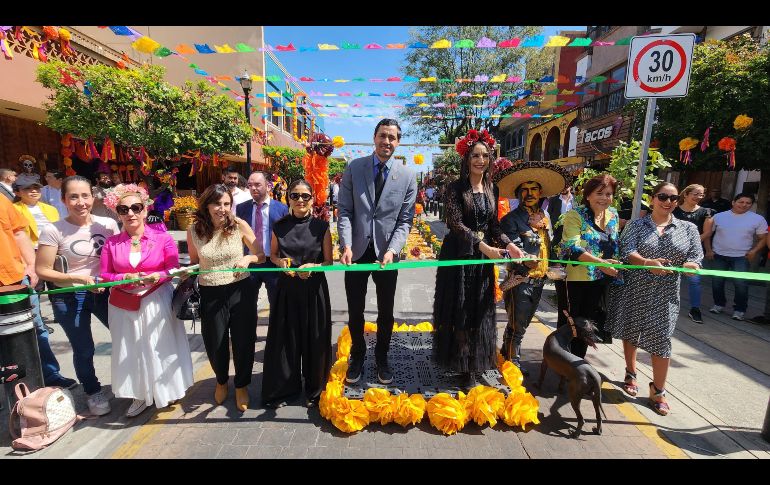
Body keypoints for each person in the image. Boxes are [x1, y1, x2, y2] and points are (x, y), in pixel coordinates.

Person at [433, 129, 525, 387]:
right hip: (459, 256)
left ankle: (475, 361)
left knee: (480, 309)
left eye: (485, 155)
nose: (480, 160)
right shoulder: (455, 188)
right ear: (467, 158)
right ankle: (462, 366)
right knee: (460, 309)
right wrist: (483, 247)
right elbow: (455, 224)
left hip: (482, 258)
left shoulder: (492, 188)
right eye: (475, 155)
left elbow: (494, 226)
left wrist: (509, 245)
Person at [606, 182, 702, 416]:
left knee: (661, 338)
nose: (668, 202)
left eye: (673, 198)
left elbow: (695, 257)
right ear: (652, 199)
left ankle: (658, 390)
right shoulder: (636, 225)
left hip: (666, 294)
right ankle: (631, 372)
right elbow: (627, 251)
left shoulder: (688, 228)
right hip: (634, 288)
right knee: (631, 331)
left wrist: (692, 266)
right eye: (663, 197)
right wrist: (647, 263)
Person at [99, 184, 194, 417]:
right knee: (130, 348)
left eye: (136, 208)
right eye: (123, 209)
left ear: (144, 210)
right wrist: (123, 278)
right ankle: (139, 394)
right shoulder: (112, 243)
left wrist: (157, 276)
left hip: (156, 298)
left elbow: (172, 269)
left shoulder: (163, 238)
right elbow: (105, 275)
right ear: (117, 213)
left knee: (160, 346)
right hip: (123, 304)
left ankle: (166, 389)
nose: (130, 213)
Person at [338, 118, 417, 385]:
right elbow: (345, 211)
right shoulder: (354, 168)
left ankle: (382, 357)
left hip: (387, 254)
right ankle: (358, 355)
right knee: (355, 309)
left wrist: (393, 249)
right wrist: (346, 245)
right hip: (356, 251)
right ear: (374, 137)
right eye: (383, 135)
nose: (387, 141)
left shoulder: (407, 176)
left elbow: (405, 220)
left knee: (386, 311)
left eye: (392, 137)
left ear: (398, 142)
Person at [36, 175, 119, 415]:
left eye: (85, 195)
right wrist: (80, 279)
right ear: (63, 200)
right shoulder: (53, 229)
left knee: (124, 338)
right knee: (84, 349)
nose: (80, 202)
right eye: (73, 197)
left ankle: (128, 382)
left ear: (93, 197)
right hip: (70, 296)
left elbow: (118, 257)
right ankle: (93, 392)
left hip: (105, 292)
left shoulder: (108, 224)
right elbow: (43, 270)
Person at [187, 184, 265, 412]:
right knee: (215, 342)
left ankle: (241, 385)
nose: (222, 209)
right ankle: (221, 380)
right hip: (210, 292)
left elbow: (260, 255)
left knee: (243, 340)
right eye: (217, 204)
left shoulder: (239, 225)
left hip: (240, 290)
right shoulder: (194, 230)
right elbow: (194, 262)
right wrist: (184, 271)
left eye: (227, 204)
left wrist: (248, 259)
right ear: (206, 205)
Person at [262, 180, 333, 408]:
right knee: (286, 340)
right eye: (295, 195)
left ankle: (315, 389)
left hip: (314, 290)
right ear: (288, 199)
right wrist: (280, 263)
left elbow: (329, 261)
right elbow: (272, 255)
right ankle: (285, 390)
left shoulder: (321, 227)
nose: (300, 200)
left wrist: (314, 267)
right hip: (287, 290)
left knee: (315, 339)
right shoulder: (279, 226)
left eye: (305, 196)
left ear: (312, 198)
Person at [497, 160, 569, 375]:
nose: (529, 194)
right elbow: (513, 249)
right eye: (525, 190)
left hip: (539, 282)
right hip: (520, 282)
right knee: (517, 327)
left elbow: (549, 245)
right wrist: (525, 259)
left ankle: (505, 355)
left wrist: (555, 267)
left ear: (541, 193)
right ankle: (513, 367)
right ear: (518, 194)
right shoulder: (511, 220)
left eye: (534, 189)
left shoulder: (545, 218)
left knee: (520, 325)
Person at [555, 174, 621, 358]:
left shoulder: (613, 215)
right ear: (588, 195)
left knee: (588, 325)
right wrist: (601, 264)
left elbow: (613, 244)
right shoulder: (575, 215)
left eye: (609, 194)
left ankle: (578, 362)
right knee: (570, 324)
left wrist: (613, 263)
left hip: (600, 280)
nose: (604, 198)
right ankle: (562, 362)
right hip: (575, 279)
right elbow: (572, 247)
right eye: (599, 193)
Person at [703, 193, 768, 321]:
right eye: (741, 202)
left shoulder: (757, 219)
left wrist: (754, 251)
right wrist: (709, 250)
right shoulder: (719, 216)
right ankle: (719, 304)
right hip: (719, 254)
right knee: (717, 282)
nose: (744, 205)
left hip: (741, 256)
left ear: (752, 205)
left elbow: (763, 238)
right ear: (733, 202)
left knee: (741, 284)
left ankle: (739, 310)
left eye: (748, 203)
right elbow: (707, 234)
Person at [236, 171, 288, 310]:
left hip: (273, 263)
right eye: (250, 185)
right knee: (246, 305)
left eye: (257, 184)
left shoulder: (282, 209)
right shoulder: (241, 208)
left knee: (277, 304)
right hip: (250, 263)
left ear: (268, 186)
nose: (253, 188)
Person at [672, 184, 713, 324]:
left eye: (701, 194)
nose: (699, 197)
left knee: (695, 281)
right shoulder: (674, 209)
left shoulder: (706, 212)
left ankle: (695, 309)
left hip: (693, 252)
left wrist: (689, 243)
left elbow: (707, 232)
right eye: (696, 194)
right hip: (673, 250)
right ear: (686, 194)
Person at [13, 180, 60, 250]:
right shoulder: (13, 209)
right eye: (28, 188)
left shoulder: (51, 209)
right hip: (28, 249)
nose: (34, 191)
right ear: (17, 193)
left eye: (36, 188)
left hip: (53, 246)